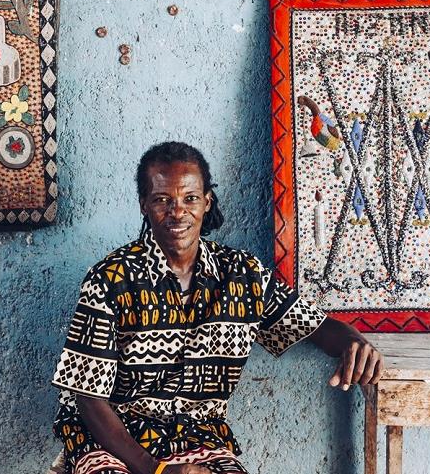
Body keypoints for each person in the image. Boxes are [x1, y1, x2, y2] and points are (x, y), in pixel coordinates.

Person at [50, 142, 384, 474]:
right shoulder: (110, 279)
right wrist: (156, 470)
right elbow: (87, 398)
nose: (178, 212)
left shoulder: (243, 275)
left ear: (207, 202)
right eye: (162, 200)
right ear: (144, 206)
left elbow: (317, 328)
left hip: (200, 437)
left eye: (190, 199)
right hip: (113, 444)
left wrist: (355, 344)